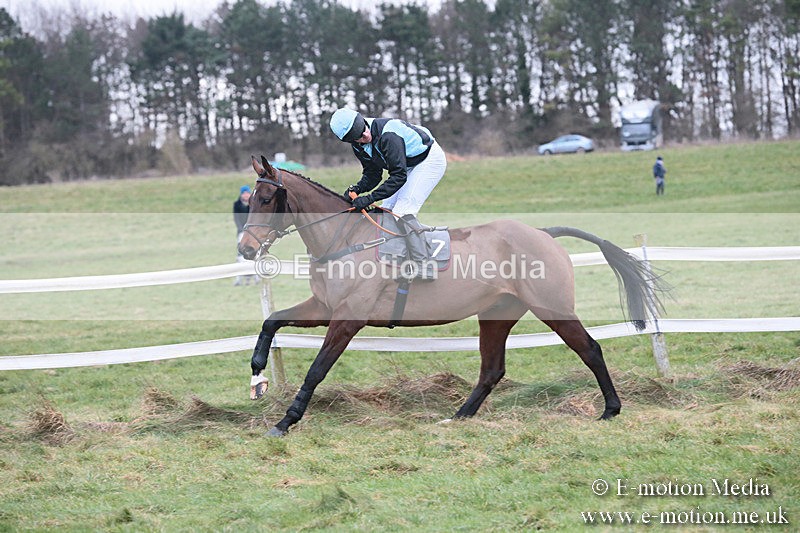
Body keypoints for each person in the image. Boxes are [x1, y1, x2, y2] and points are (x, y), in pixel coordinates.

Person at [329, 108, 447, 281]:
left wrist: (369, 198)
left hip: (428, 160)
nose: (365, 136)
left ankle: (424, 266)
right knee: (386, 211)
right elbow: (373, 174)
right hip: (406, 165)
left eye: (364, 130)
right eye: (359, 138)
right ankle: (396, 257)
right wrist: (356, 189)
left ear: (364, 122)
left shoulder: (388, 135)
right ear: (351, 140)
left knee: (402, 211)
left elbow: (398, 177)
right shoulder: (358, 145)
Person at [233, 185, 256, 285]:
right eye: (244, 193)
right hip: (242, 231)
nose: (246, 195)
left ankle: (256, 276)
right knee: (240, 254)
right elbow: (237, 219)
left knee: (255, 253)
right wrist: (242, 230)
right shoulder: (237, 205)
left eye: (247, 193)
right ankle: (239, 278)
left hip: (253, 232)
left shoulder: (253, 204)